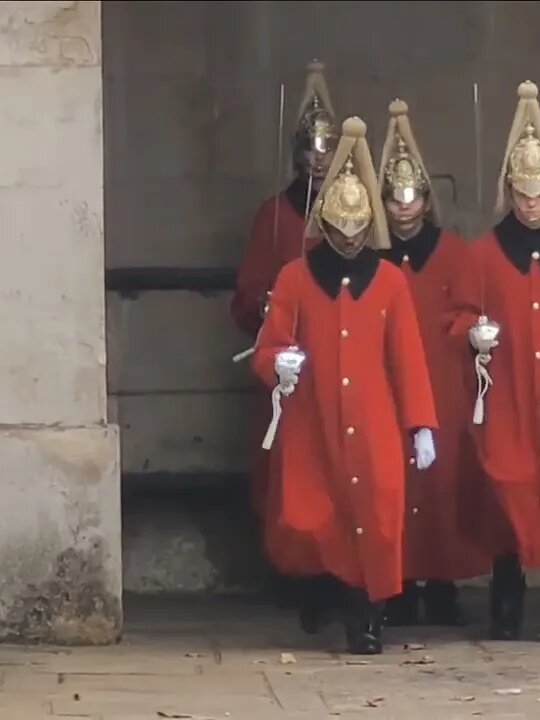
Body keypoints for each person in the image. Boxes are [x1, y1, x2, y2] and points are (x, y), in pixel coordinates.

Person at [252, 116, 439, 655]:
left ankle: (370, 617)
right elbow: (269, 347)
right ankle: (324, 593)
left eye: (359, 232)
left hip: (375, 421)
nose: (351, 241)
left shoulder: (390, 282)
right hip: (315, 420)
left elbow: (408, 358)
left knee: (378, 519)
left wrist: (421, 423)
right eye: (342, 231)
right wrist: (277, 366)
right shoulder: (293, 276)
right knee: (317, 517)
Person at [447, 80, 540, 643]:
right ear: (510, 191)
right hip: (506, 398)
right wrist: (472, 335)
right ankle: (506, 603)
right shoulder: (481, 254)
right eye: (521, 194)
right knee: (508, 493)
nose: (530, 204)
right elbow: (454, 319)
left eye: (539, 193)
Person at [373, 99, 508, 627]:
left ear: (426, 201)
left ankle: (443, 581)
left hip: (444, 382)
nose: (404, 207)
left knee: (443, 484)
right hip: (389, 381)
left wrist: (467, 332)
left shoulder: (454, 251)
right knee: (396, 482)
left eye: (412, 197)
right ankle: (399, 581)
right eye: (394, 197)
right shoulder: (373, 261)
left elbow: (470, 308)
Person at [230, 61, 338, 620]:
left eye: (329, 148)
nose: (320, 158)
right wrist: (268, 307)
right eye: (313, 148)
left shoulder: (352, 215)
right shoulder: (274, 216)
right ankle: (292, 573)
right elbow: (245, 297)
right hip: (289, 369)